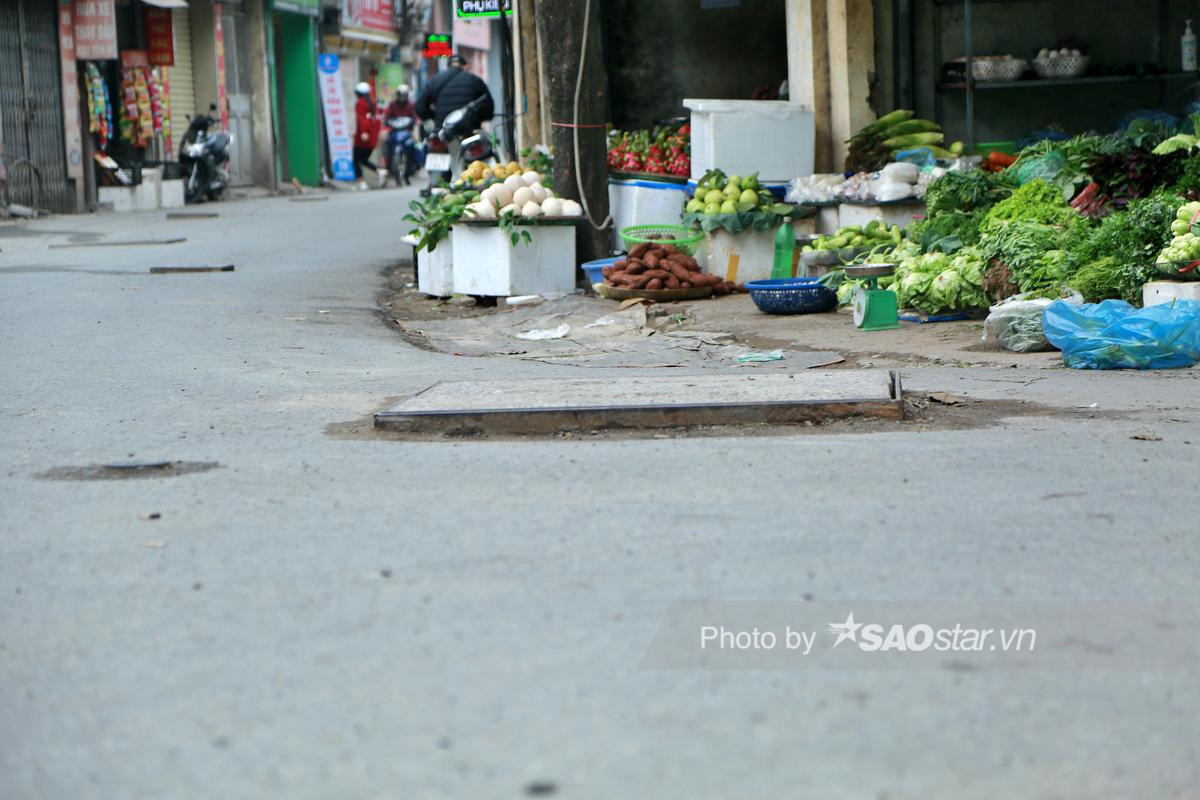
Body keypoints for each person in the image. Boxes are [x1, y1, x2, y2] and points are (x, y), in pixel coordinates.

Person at [414, 55, 493, 185]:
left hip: (443, 131)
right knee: (479, 166)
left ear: (449, 65)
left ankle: (436, 185)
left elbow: (419, 107)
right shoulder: (474, 80)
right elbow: (488, 106)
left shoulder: (434, 81)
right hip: (469, 130)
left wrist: (435, 117)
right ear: (464, 66)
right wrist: (482, 117)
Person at [382, 85, 421, 186]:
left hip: (406, 132)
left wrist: (416, 121)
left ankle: (413, 167)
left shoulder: (410, 105)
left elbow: (415, 116)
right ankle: (387, 165)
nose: (402, 98)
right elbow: (386, 115)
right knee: (386, 143)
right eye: (400, 95)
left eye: (403, 96)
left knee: (412, 146)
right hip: (394, 131)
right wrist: (385, 120)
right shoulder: (392, 105)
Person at [352, 82, 381, 190]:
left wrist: (364, 132)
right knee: (363, 160)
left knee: (356, 160)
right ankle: (379, 171)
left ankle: (361, 182)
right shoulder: (373, 104)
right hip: (372, 139)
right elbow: (377, 121)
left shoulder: (360, 103)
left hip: (362, 139)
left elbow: (361, 119)